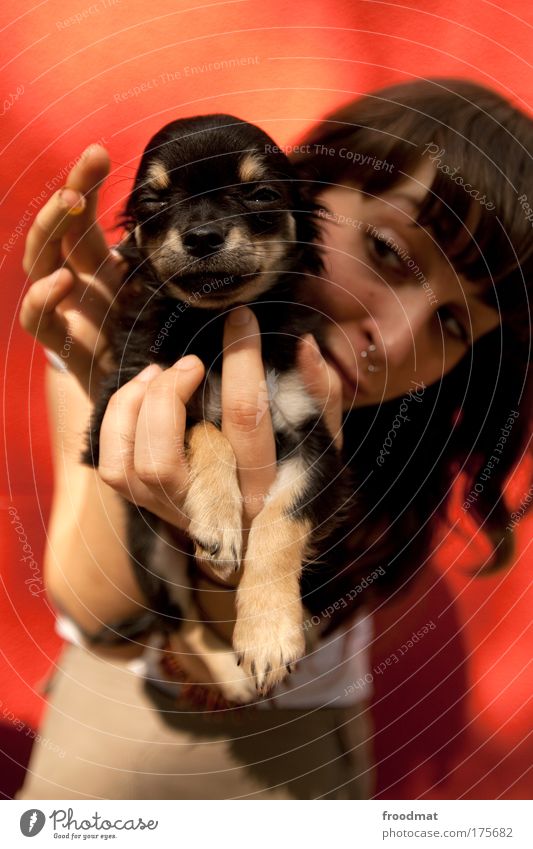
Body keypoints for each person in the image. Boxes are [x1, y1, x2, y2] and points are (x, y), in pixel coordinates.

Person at [16, 78, 532, 800]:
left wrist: (247, 561)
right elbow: (101, 613)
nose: (390, 334)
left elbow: (261, 652)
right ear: (306, 198)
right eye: (386, 251)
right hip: (108, 753)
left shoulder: (403, 448)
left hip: (294, 763)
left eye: (450, 325)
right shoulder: (111, 328)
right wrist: (113, 381)